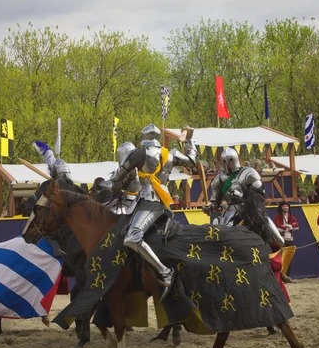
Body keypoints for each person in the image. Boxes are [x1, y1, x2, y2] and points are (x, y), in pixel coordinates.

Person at [107, 124, 197, 296]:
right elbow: (192, 161)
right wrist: (190, 138)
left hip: (150, 201)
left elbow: (119, 175)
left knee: (132, 237)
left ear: (143, 138)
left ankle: (165, 271)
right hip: (161, 200)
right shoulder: (169, 154)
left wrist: (115, 186)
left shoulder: (139, 153)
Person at [203, 147, 284, 247]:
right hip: (230, 212)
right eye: (225, 161)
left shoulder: (249, 173)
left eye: (230, 160)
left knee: (275, 236)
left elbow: (259, 193)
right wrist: (209, 206)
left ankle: (278, 250)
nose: (228, 164)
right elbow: (215, 202)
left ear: (235, 159)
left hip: (250, 209)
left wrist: (243, 197)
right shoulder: (218, 180)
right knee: (220, 235)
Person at [99, 142, 141, 215]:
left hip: (129, 202)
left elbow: (114, 185)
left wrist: (100, 183)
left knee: (102, 212)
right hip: (137, 200)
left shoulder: (129, 169)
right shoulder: (141, 166)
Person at [274, 201, 298, 283]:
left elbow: (296, 226)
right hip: (281, 240)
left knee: (289, 258)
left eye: (287, 206)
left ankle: (288, 276)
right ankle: (280, 277)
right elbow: (277, 227)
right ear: (281, 207)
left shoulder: (292, 217)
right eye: (284, 206)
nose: (285, 208)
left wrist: (289, 226)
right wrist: (287, 227)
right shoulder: (278, 217)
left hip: (290, 239)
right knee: (281, 259)